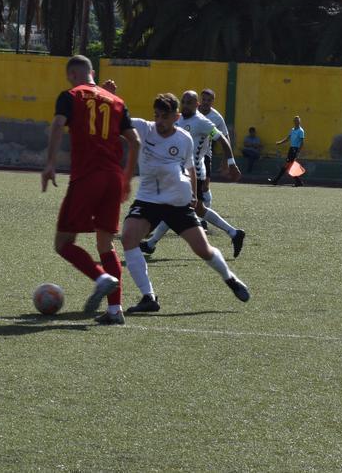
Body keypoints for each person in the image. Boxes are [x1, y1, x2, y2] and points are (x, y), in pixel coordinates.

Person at [122, 93, 251, 316]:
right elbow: (118, 119)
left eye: (165, 116)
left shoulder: (184, 139)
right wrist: (110, 95)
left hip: (177, 201)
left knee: (203, 250)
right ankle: (148, 297)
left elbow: (190, 168)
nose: (160, 121)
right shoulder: (144, 128)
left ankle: (230, 278)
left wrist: (193, 194)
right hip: (148, 199)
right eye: (157, 116)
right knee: (128, 238)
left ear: (176, 116)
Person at [42, 55, 140, 324]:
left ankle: (100, 277)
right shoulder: (117, 102)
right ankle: (114, 311)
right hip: (113, 178)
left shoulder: (70, 95)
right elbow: (136, 142)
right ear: (92, 73)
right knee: (105, 244)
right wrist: (128, 179)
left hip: (87, 177)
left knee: (63, 243)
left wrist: (50, 163)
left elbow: (57, 125)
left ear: (72, 75)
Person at [139, 91, 246, 258]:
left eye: (190, 102)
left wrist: (231, 163)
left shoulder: (202, 122)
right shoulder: (179, 118)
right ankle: (234, 233)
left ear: (197, 105)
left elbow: (222, 139)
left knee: (175, 208)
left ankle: (151, 242)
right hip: (179, 172)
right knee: (190, 209)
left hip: (192, 173)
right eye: (184, 101)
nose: (186, 105)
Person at [199, 88, 229, 179]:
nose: (205, 102)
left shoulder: (216, 118)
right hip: (187, 153)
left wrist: (225, 161)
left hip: (205, 154)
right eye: (203, 99)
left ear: (213, 101)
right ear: (200, 100)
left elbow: (226, 138)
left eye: (209, 100)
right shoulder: (192, 112)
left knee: (205, 185)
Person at [269, 116, 305, 186]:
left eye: (297, 120)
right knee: (288, 166)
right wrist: (280, 142)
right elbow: (288, 139)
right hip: (291, 149)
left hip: (295, 149)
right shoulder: (292, 130)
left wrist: (298, 152)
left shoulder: (301, 131)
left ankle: (276, 180)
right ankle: (299, 182)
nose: (296, 122)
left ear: (299, 122)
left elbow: (302, 142)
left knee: (287, 166)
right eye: (295, 120)